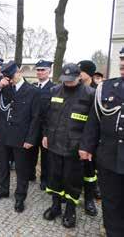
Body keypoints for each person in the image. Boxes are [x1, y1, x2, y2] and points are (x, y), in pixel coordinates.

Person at [42, 63, 95, 228]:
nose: (67, 83)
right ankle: (56, 206)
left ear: (79, 77)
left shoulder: (90, 94)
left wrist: (86, 146)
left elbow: (92, 125)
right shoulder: (54, 91)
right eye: (65, 80)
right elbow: (48, 116)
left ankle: (70, 210)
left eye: (71, 80)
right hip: (55, 143)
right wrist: (45, 135)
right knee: (54, 177)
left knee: (72, 180)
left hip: (75, 147)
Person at [79, 48, 124, 237]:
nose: (122, 63)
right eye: (122, 59)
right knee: (110, 202)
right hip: (109, 157)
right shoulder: (105, 88)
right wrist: (87, 146)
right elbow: (94, 120)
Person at [0, 61, 40, 213]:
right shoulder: (4, 88)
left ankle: (20, 197)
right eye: (7, 78)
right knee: (3, 165)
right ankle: (3, 189)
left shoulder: (32, 91)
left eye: (11, 77)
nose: (9, 80)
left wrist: (30, 139)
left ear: (19, 73)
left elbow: (36, 117)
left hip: (21, 137)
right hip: (3, 134)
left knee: (21, 169)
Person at [77, 60, 99, 215]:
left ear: (88, 74)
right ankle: (72, 194)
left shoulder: (98, 91)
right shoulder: (74, 88)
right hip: (73, 137)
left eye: (80, 71)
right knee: (73, 170)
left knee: (89, 172)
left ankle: (89, 200)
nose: (78, 74)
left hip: (90, 139)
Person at [31, 60, 55, 191]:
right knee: (30, 152)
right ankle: (31, 174)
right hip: (32, 126)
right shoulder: (33, 86)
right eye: (38, 70)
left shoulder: (54, 88)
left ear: (49, 71)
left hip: (45, 128)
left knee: (46, 156)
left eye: (43, 70)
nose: (40, 72)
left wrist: (48, 132)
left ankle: (45, 179)